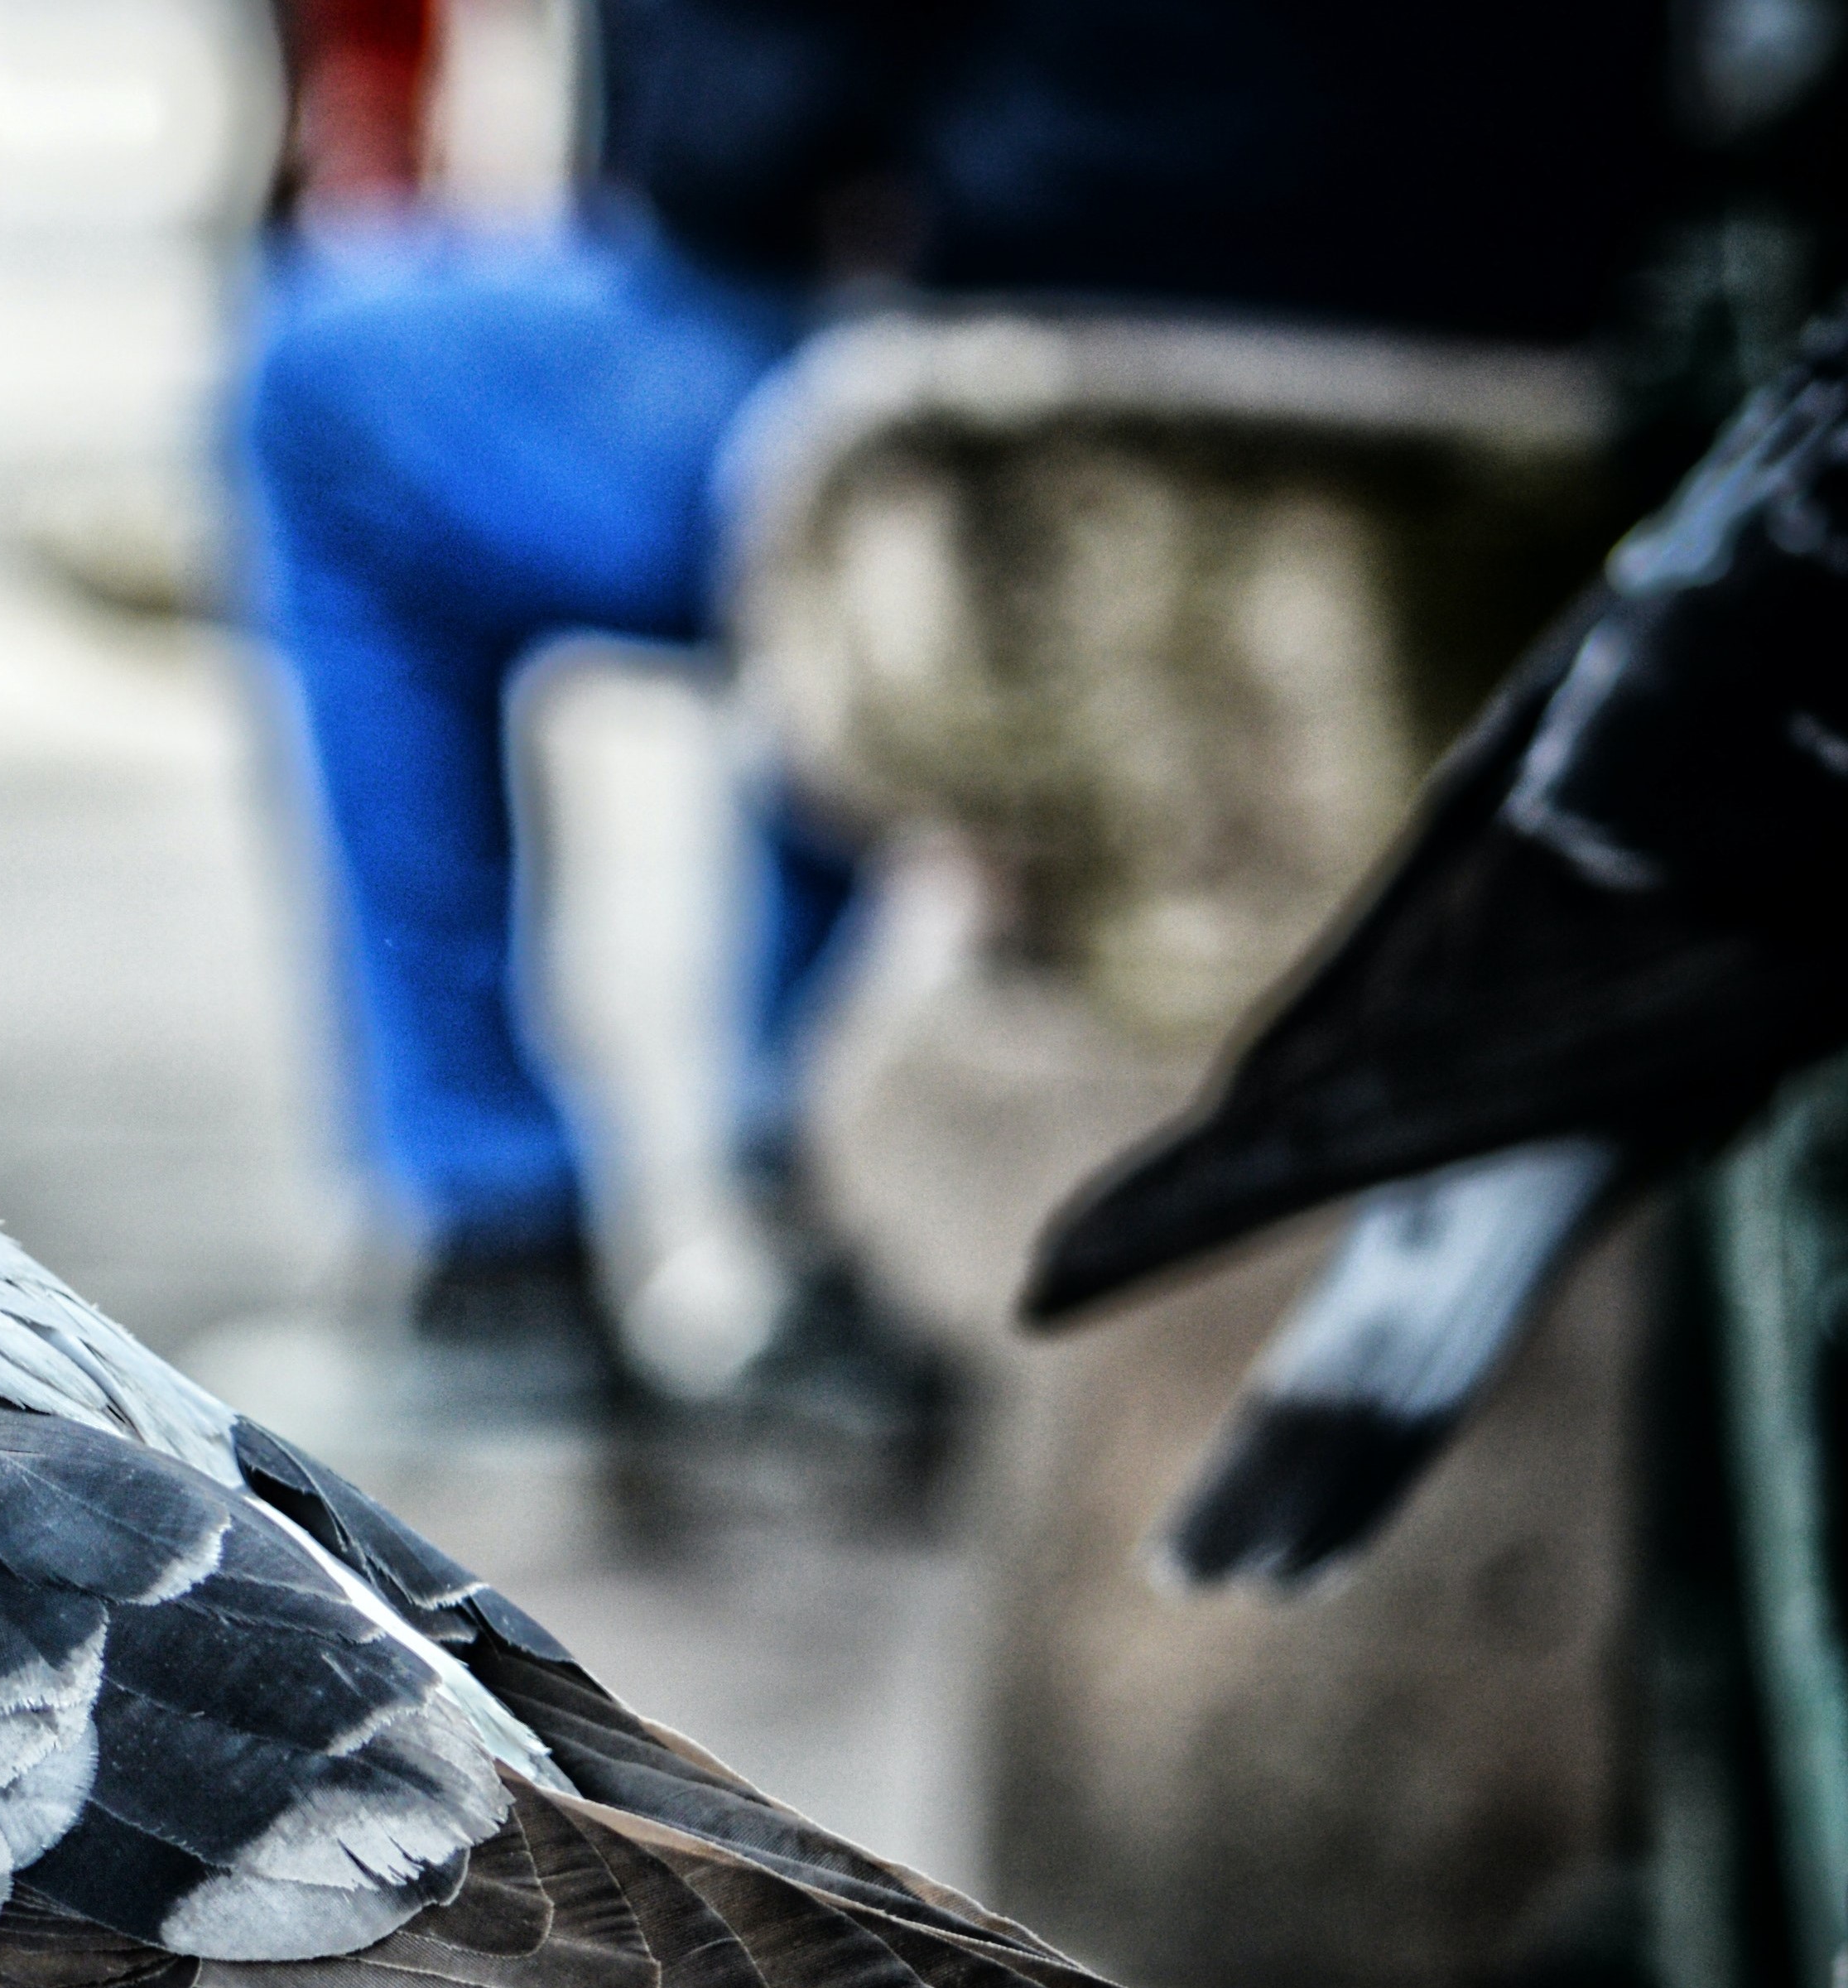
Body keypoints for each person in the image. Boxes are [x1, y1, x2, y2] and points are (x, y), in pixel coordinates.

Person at [237, 0, 1676, 1422]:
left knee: (327, 386)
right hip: (1518, 442)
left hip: (1030, 457)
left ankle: (500, 1236)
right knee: (837, 348)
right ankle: (803, 1205)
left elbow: (736, 156)